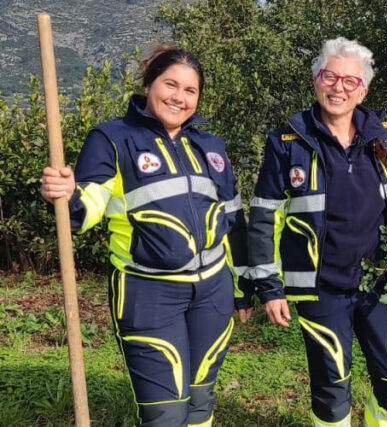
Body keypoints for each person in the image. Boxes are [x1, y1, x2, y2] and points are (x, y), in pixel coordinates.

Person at [242, 37, 387, 427]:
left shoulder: (382, 135)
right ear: (316, 80)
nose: (338, 87)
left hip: (379, 283)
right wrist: (270, 286)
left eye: (349, 81)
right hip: (320, 287)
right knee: (332, 390)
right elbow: (266, 216)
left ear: (363, 90)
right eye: (330, 76)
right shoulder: (288, 142)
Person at [40, 44, 252, 426]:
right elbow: (87, 209)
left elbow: (232, 220)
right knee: (165, 414)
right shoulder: (112, 139)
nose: (179, 97)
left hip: (213, 292)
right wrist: (67, 195)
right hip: (148, 293)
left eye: (190, 90)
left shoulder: (211, 146)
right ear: (149, 83)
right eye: (171, 84)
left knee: (201, 398)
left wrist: (244, 288)